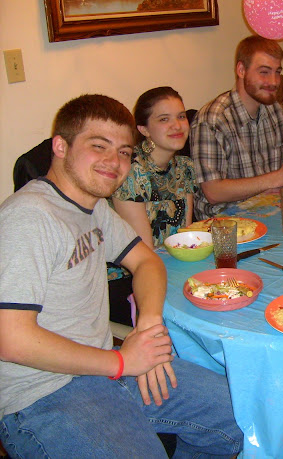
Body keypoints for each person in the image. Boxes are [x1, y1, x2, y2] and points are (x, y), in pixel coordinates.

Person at [0, 94, 243, 457]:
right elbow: (11, 339)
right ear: (61, 146)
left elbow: (147, 262)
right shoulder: (29, 217)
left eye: (124, 152)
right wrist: (122, 362)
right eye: (99, 146)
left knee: (240, 415)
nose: (114, 162)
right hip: (42, 396)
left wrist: (148, 327)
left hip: (106, 367)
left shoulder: (93, 207)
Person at [190, 35, 283, 219]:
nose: (274, 81)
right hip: (226, 224)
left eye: (277, 72)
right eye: (264, 72)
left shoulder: (273, 109)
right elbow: (213, 192)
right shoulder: (213, 119)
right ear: (241, 70)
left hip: (270, 212)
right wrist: (278, 177)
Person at [112, 86, 197, 248]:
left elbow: (185, 238)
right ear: (144, 129)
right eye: (164, 119)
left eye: (181, 116)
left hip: (173, 257)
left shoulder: (185, 166)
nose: (177, 126)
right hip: (139, 262)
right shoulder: (131, 171)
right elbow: (144, 250)